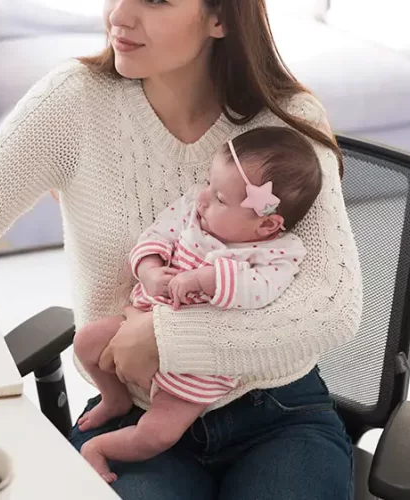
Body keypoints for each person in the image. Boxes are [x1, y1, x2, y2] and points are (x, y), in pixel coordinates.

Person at [0, 1, 363, 498]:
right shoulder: (74, 102)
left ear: (220, 18)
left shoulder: (287, 121)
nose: (119, 13)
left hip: (277, 409)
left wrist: (165, 335)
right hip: (133, 411)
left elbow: (332, 306)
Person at [73, 126, 323, 483]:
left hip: (200, 369)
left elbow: (264, 291)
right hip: (141, 319)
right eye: (209, 182)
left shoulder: (277, 252)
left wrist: (209, 279)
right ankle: (114, 398)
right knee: (86, 341)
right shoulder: (192, 211)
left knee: (157, 434)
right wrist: (150, 271)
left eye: (220, 198)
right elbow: (155, 236)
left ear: (267, 224)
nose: (203, 197)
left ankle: (99, 448)